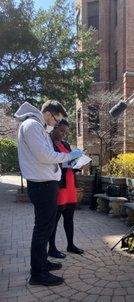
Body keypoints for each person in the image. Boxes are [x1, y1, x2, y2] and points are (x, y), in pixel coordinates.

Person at [15, 100, 83, 286]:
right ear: (48, 113)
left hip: (45, 184)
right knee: (42, 228)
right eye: (56, 119)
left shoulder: (37, 126)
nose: (56, 123)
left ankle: (42, 263)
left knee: (45, 228)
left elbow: (45, 156)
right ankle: (38, 273)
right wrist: (71, 155)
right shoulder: (32, 125)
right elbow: (44, 156)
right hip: (42, 185)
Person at [48, 119, 84, 258]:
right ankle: (52, 248)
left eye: (66, 132)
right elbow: (53, 165)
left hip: (70, 186)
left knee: (69, 219)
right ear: (55, 128)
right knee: (54, 220)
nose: (64, 134)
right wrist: (66, 164)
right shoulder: (49, 144)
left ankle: (71, 245)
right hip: (59, 187)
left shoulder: (66, 144)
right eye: (62, 131)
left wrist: (78, 165)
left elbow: (70, 164)